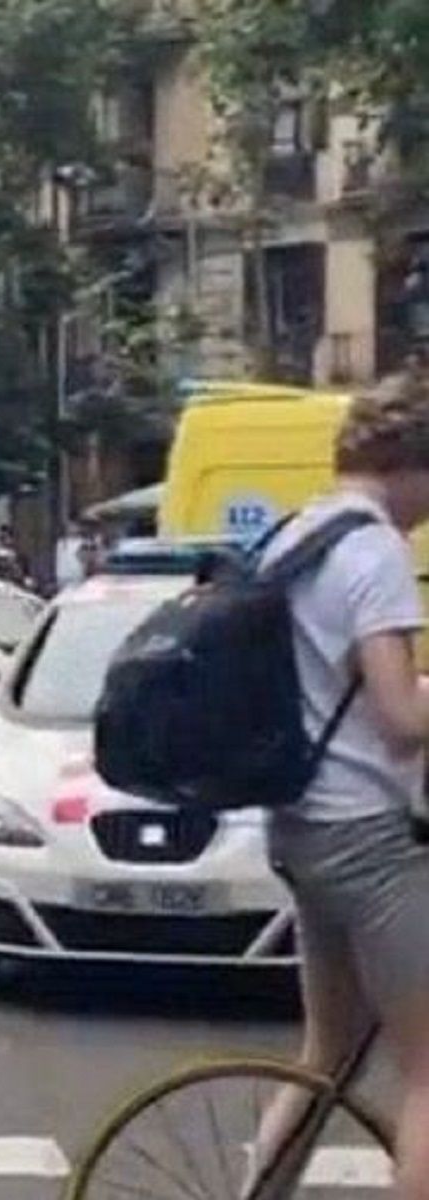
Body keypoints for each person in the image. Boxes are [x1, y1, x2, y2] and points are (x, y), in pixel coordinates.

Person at [248, 371, 429, 1199]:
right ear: (410, 464)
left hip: (297, 824)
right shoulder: (375, 551)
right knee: (426, 1072)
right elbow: (398, 719)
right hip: (364, 834)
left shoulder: (297, 537)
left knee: (328, 1052)